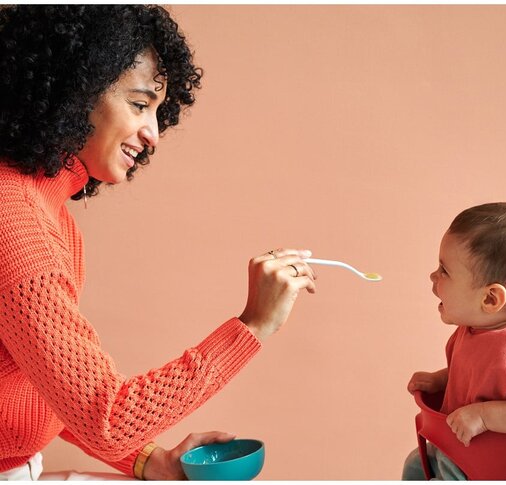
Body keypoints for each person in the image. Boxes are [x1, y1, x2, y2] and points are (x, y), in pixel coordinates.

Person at [0, 5, 317, 480]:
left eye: (157, 111)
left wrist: (151, 460)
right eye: (139, 103)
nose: (152, 133)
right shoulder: (18, 225)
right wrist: (253, 324)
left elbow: (46, 391)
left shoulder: (46, 214)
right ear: (75, 89)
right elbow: (108, 418)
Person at [402, 202, 506, 480]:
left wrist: (484, 416)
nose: (433, 276)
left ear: (490, 299)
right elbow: (488, 378)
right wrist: (442, 379)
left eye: (444, 270)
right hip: (461, 449)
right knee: (414, 465)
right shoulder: (478, 327)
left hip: (493, 463)